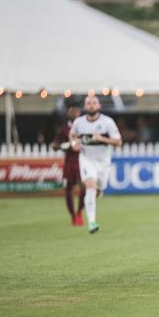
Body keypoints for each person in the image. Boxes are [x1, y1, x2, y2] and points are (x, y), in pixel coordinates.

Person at [69, 96, 122, 234]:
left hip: (103, 162)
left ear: (98, 106)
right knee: (90, 187)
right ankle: (92, 222)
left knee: (98, 188)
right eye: (88, 103)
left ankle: (99, 190)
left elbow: (118, 142)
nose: (91, 105)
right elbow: (72, 135)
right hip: (86, 159)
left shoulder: (107, 122)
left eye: (94, 103)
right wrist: (74, 144)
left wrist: (101, 138)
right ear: (85, 107)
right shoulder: (79, 122)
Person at [51, 106, 85, 226]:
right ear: (68, 114)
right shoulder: (64, 129)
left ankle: (80, 212)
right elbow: (54, 145)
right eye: (72, 111)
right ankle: (73, 216)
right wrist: (63, 146)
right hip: (69, 162)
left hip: (82, 161)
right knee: (68, 190)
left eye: (77, 111)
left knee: (84, 187)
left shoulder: (85, 128)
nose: (75, 113)